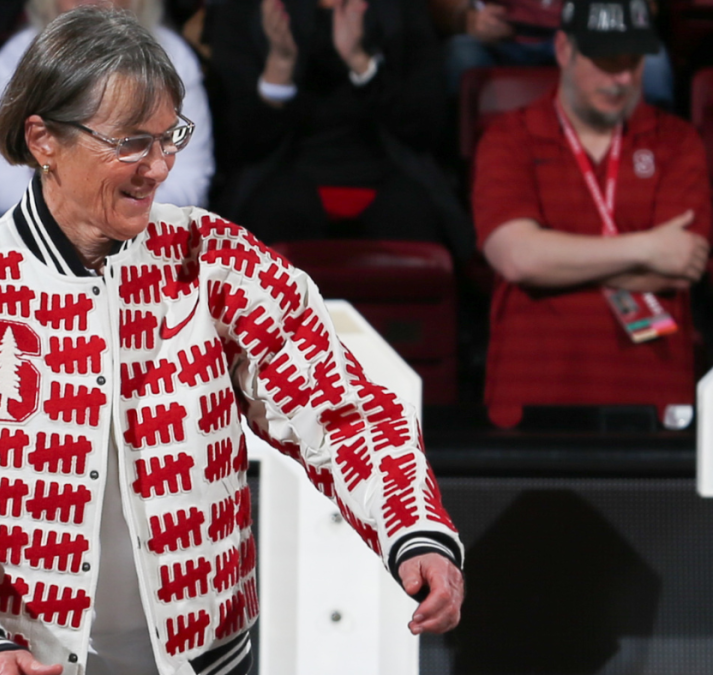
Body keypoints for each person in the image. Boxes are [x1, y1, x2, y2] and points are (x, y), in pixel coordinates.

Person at [0, 8, 464, 675]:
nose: (159, 167)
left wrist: (413, 526)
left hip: (205, 661)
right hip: (22, 664)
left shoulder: (214, 256)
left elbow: (341, 405)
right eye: (131, 143)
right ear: (43, 140)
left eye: (169, 136)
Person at [473, 0, 710, 428]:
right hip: (532, 394)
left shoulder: (678, 142)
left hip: (653, 397)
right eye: (605, 62)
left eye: (632, 62)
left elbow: (679, 264)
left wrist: (554, 260)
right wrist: (646, 247)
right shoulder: (509, 138)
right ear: (564, 49)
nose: (621, 79)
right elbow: (517, 258)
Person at [204, 0, 472, 257]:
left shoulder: (402, 9)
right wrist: (279, 71)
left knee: (410, 215)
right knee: (277, 216)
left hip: (391, 168)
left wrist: (362, 64)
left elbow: (426, 127)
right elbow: (237, 144)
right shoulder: (246, 10)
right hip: (280, 172)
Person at [0, 0, 214, 216]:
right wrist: (72, 222)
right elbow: (2, 181)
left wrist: (121, 218)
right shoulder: (18, 58)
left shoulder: (173, 56)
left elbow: (189, 178)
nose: (91, 3)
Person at [431, 0, 673, 108]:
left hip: (586, 41)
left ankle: (652, 158)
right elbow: (443, 6)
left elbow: (645, 9)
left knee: (652, 63)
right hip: (502, 39)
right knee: (460, 55)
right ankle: (455, 169)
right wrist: (466, 17)